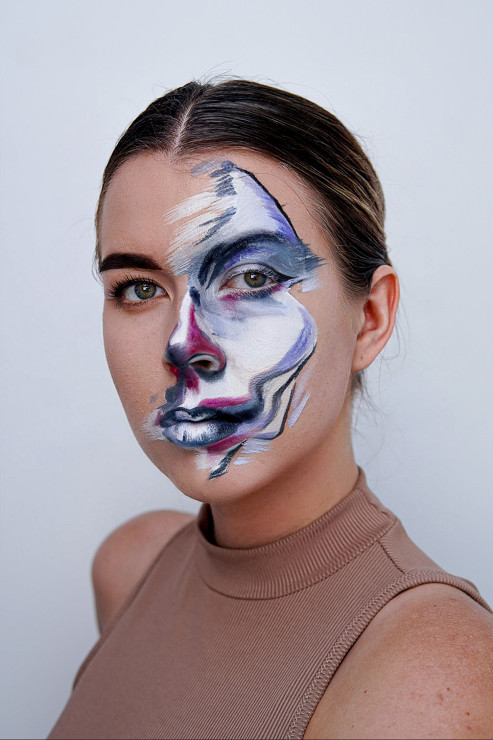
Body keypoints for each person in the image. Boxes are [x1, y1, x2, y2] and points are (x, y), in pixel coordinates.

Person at [48, 79, 493, 739]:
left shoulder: (432, 669)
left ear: (370, 319)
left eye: (252, 278)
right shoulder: (132, 566)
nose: (183, 345)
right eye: (139, 288)